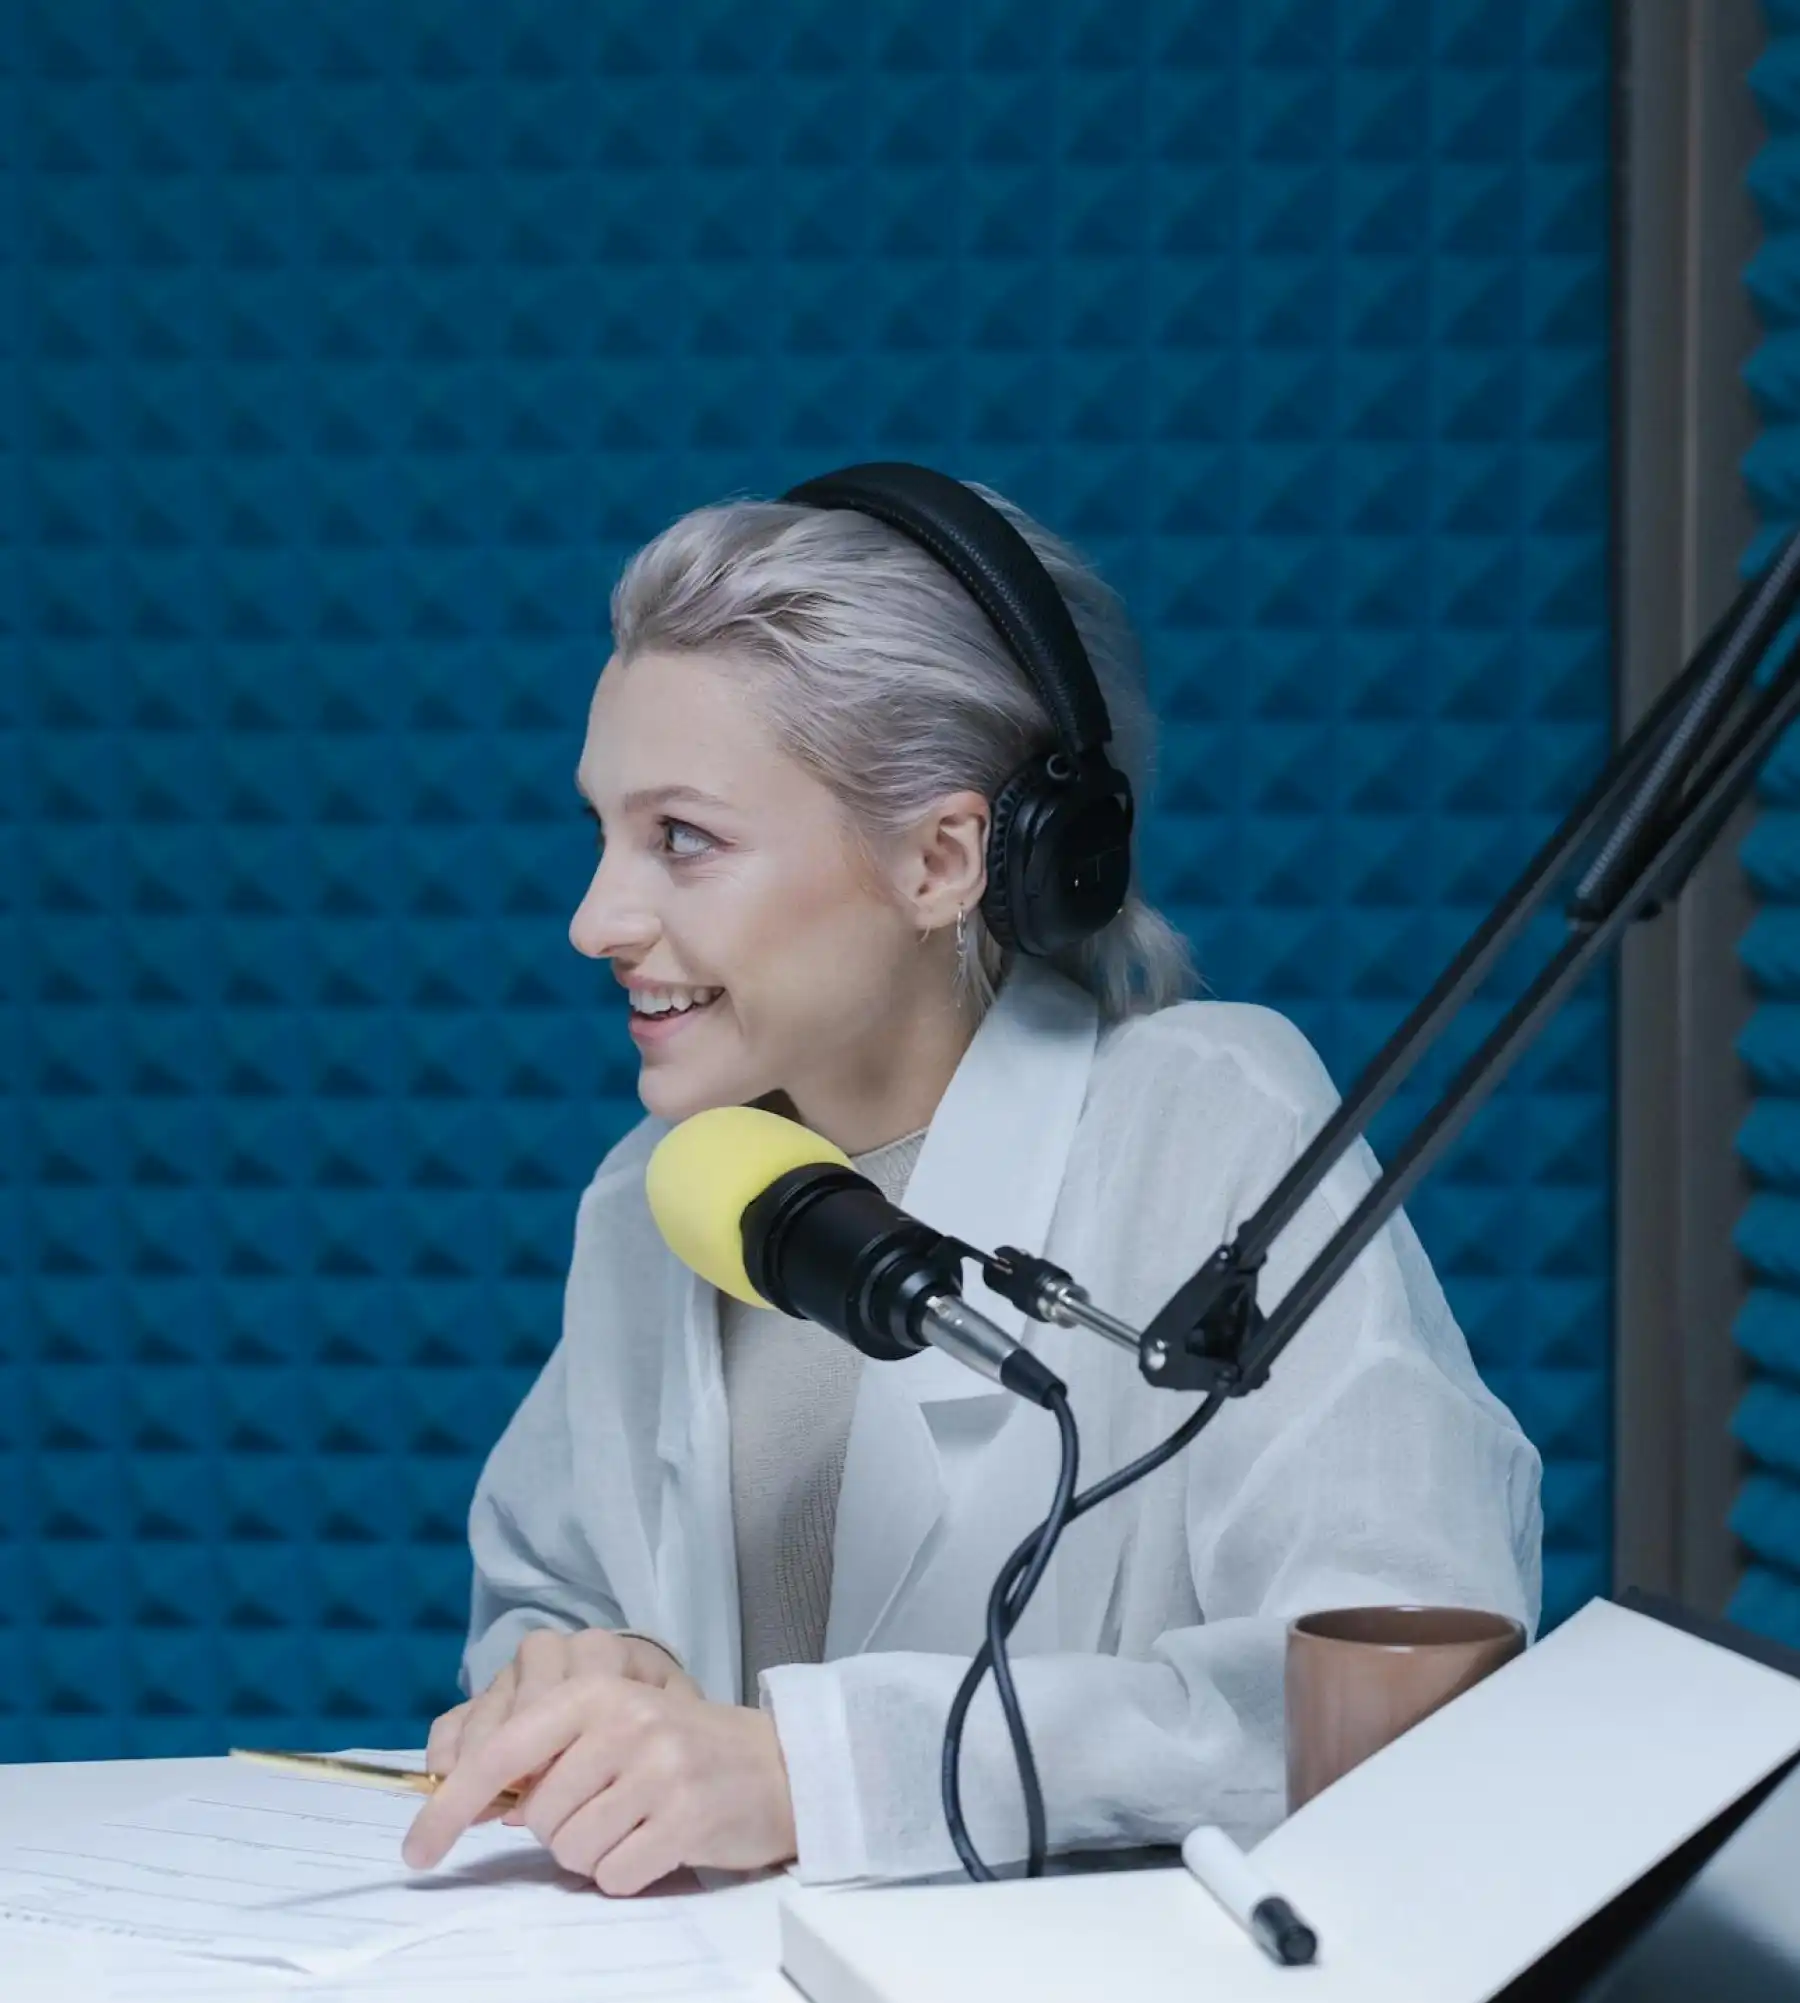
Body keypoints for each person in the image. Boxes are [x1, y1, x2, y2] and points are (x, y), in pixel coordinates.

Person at [400, 475, 1542, 1896]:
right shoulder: (663, 1193)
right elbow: (545, 1586)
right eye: (602, 833)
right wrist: (579, 1674)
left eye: (682, 838)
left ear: (942, 859)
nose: (594, 920)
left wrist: (821, 1773)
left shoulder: (1212, 1125)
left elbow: (1394, 1702)